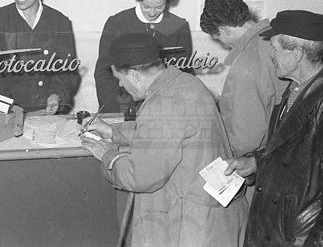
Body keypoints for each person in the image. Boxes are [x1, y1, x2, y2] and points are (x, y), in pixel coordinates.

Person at [82, 33, 246, 246]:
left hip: (192, 226)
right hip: (215, 218)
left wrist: (108, 155)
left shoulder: (162, 104)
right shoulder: (185, 83)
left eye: (120, 78)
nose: (121, 85)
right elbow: (166, 134)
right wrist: (113, 131)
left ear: (134, 75)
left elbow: (139, 176)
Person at [225, 10, 323, 246]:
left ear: (298, 53)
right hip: (279, 231)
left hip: (302, 238)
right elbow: (295, 154)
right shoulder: (295, 90)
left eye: (275, 49)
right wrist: (255, 162)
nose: (271, 55)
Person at [200, 0, 286, 162]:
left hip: (259, 158)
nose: (224, 45)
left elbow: (245, 139)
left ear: (225, 30)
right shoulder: (277, 39)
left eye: (218, 38)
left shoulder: (245, 64)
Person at [94, 0, 193, 115]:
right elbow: (105, 72)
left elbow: (182, 73)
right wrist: (119, 111)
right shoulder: (118, 23)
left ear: (167, 0)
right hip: (121, 105)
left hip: (162, 107)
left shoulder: (177, 26)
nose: (152, 13)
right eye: (146, 6)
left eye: (159, 7)